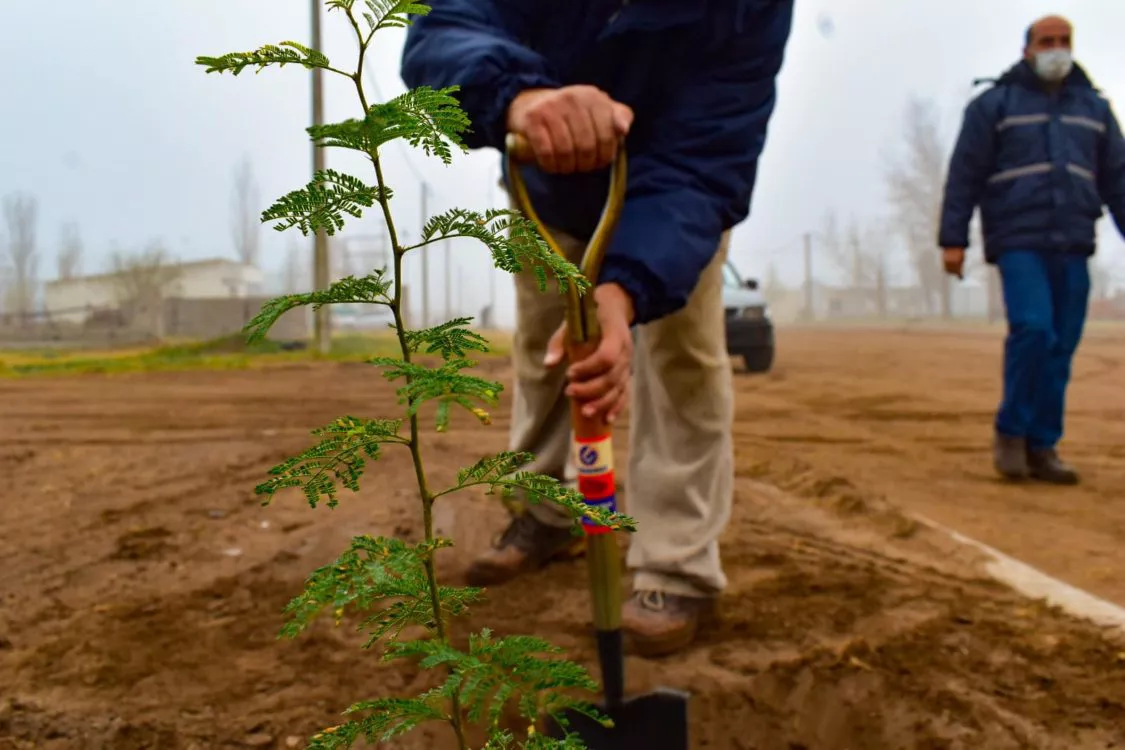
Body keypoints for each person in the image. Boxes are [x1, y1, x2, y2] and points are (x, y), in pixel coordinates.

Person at [400, 1, 794, 656]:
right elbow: (442, 28)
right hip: (545, 185)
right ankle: (546, 510)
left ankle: (675, 563)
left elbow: (706, 153)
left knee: (684, 362)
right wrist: (518, 95)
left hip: (675, 198)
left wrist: (624, 291)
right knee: (545, 351)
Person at [938, 14, 1125, 485]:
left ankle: (1044, 445)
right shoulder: (994, 106)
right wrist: (953, 238)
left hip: (1074, 240)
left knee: (1061, 345)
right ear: (1027, 49)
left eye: (1064, 41)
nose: (1056, 49)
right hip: (1018, 240)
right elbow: (965, 173)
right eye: (1047, 41)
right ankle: (1011, 433)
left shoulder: (1095, 110)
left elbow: (1118, 181)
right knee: (1034, 330)